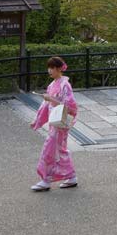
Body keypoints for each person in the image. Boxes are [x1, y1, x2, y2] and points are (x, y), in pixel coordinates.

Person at [29, 56, 78, 191]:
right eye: (49, 68)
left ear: (58, 69)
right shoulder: (52, 84)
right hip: (54, 122)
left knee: (49, 149)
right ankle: (71, 177)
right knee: (59, 150)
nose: (49, 71)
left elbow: (69, 104)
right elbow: (46, 105)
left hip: (60, 122)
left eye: (52, 68)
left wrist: (51, 98)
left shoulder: (64, 84)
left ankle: (46, 180)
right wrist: (37, 121)